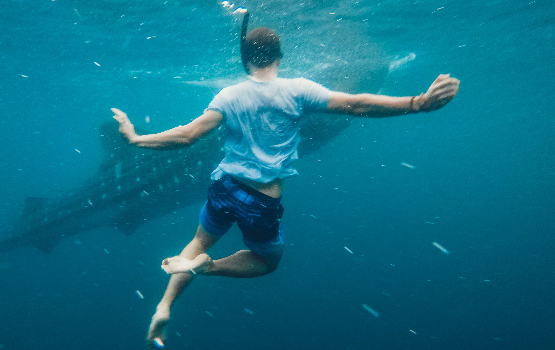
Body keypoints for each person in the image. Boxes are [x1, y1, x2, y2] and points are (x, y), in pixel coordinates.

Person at [112, 25, 460, 348]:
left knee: (198, 240)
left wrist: (136, 138)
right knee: (267, 261)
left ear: (245, 60)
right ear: (280, 57)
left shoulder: (229, 95)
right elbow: (358, 104)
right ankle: (210, 268)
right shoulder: (299, 90)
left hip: (223, 185)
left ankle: (164, 305)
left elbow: (187, 136)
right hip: (260, 199)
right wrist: (417, 104)